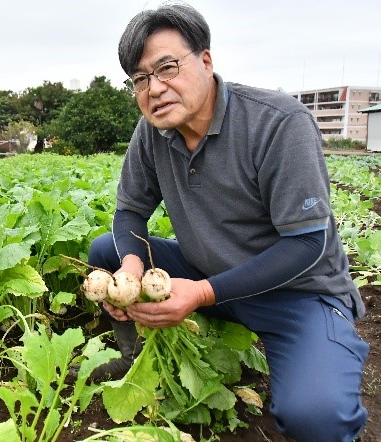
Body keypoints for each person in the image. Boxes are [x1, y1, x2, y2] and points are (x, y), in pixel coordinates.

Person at [83, 3, 369, 441]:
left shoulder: (278, 123)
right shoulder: (153, 132)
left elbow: (307, 245)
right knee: (109, 251)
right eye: (140, 79)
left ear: (206, 60)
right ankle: (137, 352)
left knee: (316, 415)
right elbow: (130, 212)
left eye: (167, 68)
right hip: (209, 272)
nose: (154, 88)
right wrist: (134, 270)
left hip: (295, 293)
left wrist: (199, 293)